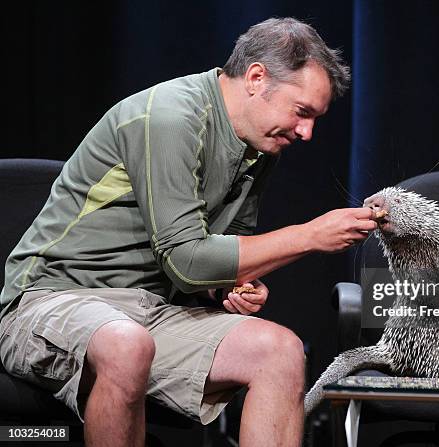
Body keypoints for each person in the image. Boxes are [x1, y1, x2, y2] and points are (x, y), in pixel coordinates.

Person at [0, 17, 377, 447]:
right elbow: (189, 262)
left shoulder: (257, 144)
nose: (306, 132)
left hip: (152, 311)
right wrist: (310, 235)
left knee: (279, 352)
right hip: (52, 300)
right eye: (302, 112)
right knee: (127, 345)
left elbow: (215, 256)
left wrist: (228, 290)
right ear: (256, 78)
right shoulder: (170, 116)